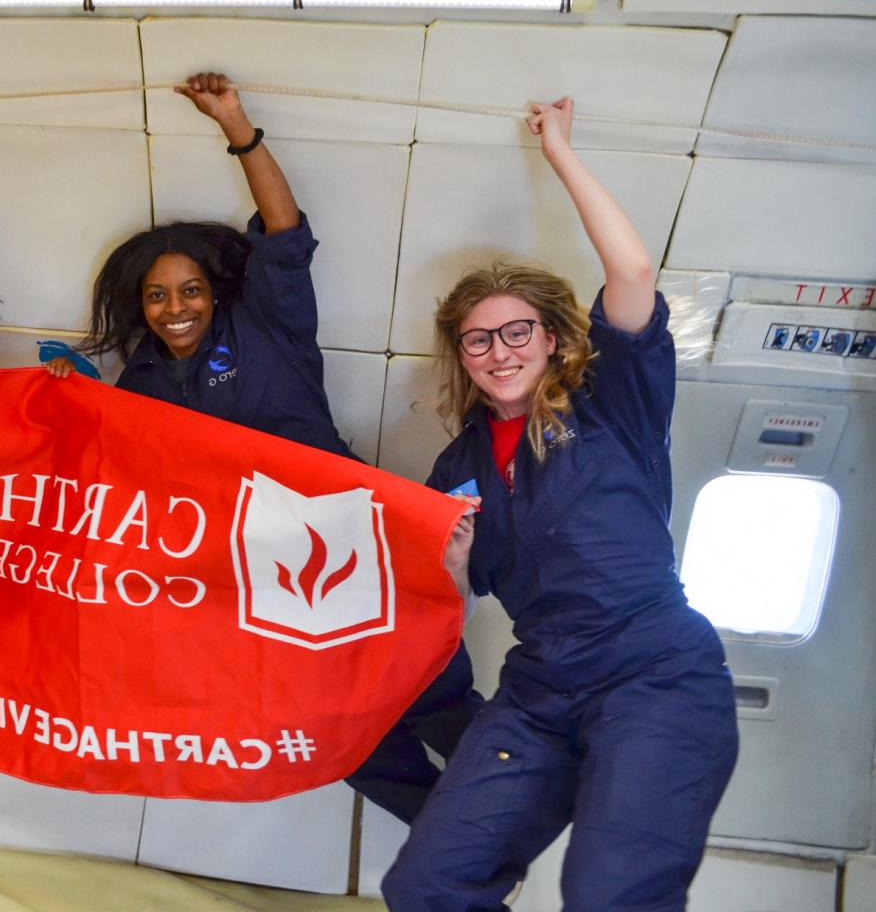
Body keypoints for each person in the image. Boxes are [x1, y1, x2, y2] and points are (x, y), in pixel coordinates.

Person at [47, 72, 484, 826]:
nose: (174, 307)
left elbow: (285, 233)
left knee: (429, 688)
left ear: (213, 293)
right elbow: (118, 466)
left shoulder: (267, 324)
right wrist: (68, 386)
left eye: (188, 291)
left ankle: (512, 805)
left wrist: (236, 126)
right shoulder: (143, 381)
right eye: (157, 296)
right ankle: (453, 841)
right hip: (252, 581)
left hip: (340, 539)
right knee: (333, 724)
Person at [381, 99, 738, 910]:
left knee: (610, 894)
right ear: (461, 356)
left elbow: (634, 275)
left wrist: (559, 150)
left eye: (517, 332)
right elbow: (456, 594)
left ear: (552, 339)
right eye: (478, 338)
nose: (498, 351)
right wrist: (455, 566)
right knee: (427, 887)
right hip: (540, 690)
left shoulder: (614, 401)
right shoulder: (458, 464)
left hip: (655, 676)